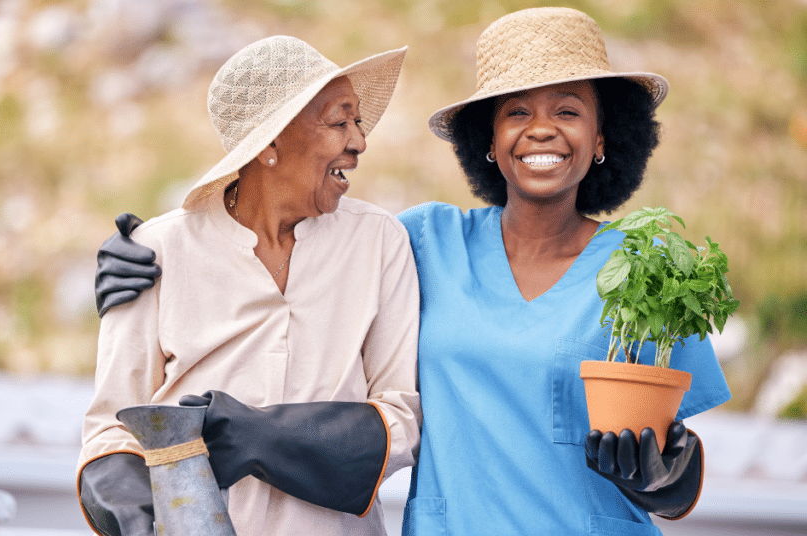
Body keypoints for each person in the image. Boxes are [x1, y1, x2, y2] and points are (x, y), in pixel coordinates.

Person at [96, 8, 731, 535]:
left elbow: (680, 478)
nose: (542, 130)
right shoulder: (424, 240)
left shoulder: (647, 271)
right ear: (488, 137)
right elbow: (298, 226)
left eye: (568, 111)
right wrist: (146, 257)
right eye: (516, 112)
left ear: (603, 137)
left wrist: (667, 473)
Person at [78, 35, 421, 536]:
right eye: (339, 122)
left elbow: (400, 415)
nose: (359, 141)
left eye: (358, 120)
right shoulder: (155, 251)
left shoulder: (379, 242)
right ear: (270, 144)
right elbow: (111, 428)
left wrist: (261, 436)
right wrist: (133, 513)